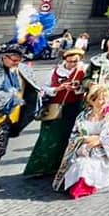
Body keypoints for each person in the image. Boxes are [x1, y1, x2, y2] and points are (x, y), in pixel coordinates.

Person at [0, 44, 40, 191]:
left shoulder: (22, 70)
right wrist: (11, 98)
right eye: (14, 60)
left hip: (8, 117)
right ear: (4, 57)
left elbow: (34, 88)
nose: (17, 63)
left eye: (19, 60)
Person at [52, 84, 109, 198]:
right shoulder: (82, 116)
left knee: (89, 165)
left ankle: (86, 185)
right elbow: (74, 135)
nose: (104, 101)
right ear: (92, 101)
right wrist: (85, 140)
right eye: (100, 99)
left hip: (104, 152)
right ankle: (78, 184)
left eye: (105, 98)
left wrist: (99, 140)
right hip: (84, 149)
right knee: (80, 163)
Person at [23, 46, 87, 177]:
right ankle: (43, 167)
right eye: (70, 61)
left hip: (74, 107)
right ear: (65, 60)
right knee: (49, 138)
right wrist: (57, 89)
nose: (72, 64)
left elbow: (86, 88)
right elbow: (43, 88)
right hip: (55, 108)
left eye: (75, 61)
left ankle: (64, 166)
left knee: (69, 137)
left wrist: (76, 89)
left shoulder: (83, 70)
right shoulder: (55, 71)